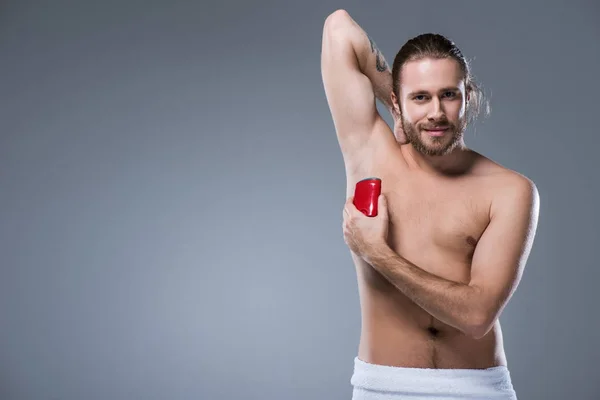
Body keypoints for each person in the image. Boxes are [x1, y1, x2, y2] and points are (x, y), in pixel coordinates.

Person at [321, 9, 539, 400]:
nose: (436, 113)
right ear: (396, 101)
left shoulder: (510, 190)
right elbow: (339, 28)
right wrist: (400, 114)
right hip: (383, 387)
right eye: (420, 97)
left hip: (476, 389)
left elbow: (476, 317)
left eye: (448, 95)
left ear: (466, 97)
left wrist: (377, 253)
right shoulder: (370, 156)